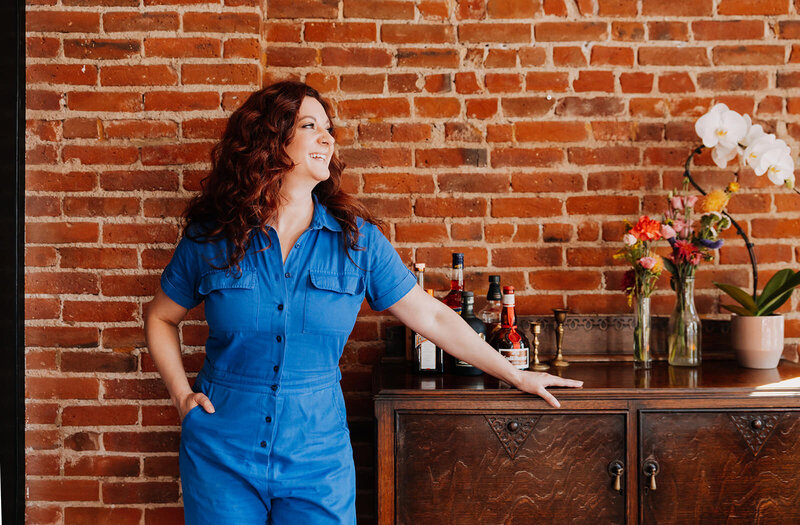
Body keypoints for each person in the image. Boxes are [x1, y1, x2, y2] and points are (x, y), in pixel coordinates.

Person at [143, 80, 583, 524]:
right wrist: (182, 397)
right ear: (269, 140)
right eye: (310, 126)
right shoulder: (212, 238)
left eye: (328, 129)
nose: (327, 138)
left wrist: (515, 375)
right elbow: (161, 317)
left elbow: (431, 314)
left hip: (317, 453)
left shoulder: (357, 242)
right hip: (221, 448)